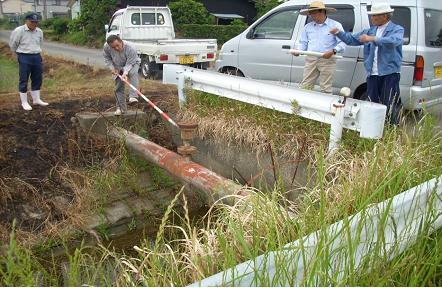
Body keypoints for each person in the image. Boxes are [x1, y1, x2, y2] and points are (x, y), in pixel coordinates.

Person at [330, 2, 404, 124]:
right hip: (372, 74)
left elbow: (394, 41)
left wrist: (373, 39)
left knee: (390, 103)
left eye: (375, 16)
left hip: (390, 73)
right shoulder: (370, 30)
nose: (372, 18)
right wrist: (339, 33)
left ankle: (392, 131)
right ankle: (372, 129)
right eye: (372, 15)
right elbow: (351, 39)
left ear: (385, 16)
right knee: (371, 103)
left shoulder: (396, 29)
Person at [292, 1, 346, 94]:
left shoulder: (335, 25)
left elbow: (343, 42)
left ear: (322, 12)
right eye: (311, 14)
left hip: (328, 58)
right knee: (306, 85)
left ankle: (325, 106)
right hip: (311, 58)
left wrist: (333, 51)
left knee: (325, 87)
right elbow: (303, 43)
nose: (312, 16)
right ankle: (303, 105)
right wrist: (298, 51)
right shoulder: (308, 27)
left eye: (314, 13)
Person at [9, 12, 48, 111]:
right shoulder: (19, 30)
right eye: (32, 22)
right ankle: (24, 102)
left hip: (36, 56)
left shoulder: (39, 31)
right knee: (24, 79)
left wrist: (37, 53)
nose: (34, 24)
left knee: (37, 78)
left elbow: (40, 43)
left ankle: (36, 99)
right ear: (26, 21)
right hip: (24, 56)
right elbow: (13, 44)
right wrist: (17, 55)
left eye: (36, 22)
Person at [103, 35, 141, 115]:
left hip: (132, 63)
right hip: (117, 66)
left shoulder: (131, 48)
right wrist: (112, 68)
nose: (116, 48)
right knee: (119, 86)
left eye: (117, 45)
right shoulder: (106, 47)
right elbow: (107, 58)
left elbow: (130, 63)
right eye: (113, 47)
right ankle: (120, 108)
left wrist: (125, 73)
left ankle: (133, 96)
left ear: (121, 41)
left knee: (132, 73)